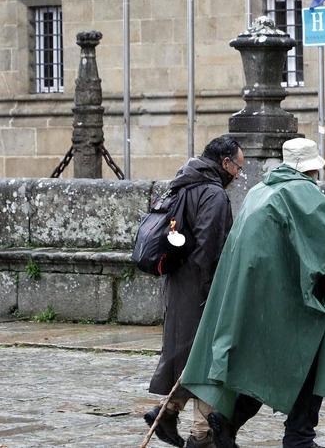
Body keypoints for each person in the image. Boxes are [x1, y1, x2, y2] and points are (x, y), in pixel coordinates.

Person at [180, 137, 325, 448]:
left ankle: (227, 421)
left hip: (257, 298)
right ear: (311, 170)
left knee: (263, 364)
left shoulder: (261, 190)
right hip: (286, 301)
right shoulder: (300, 192)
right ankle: (299, 436)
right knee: (308, 362)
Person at [144, 136, 246, 448]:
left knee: (189, 356)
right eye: (238, 167)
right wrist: (212, 295)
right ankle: (201, 434)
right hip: (201, 287)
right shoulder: (213, 194)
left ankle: (168, 412)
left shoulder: (184, 181)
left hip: (179, 284)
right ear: (224, 163)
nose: (238, 174)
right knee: (207, 360)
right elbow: (208, 250)